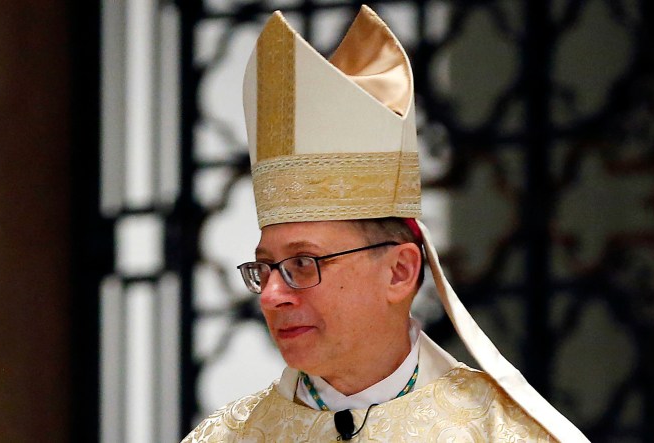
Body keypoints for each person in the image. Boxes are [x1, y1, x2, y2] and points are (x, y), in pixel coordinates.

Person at [183, 5, 588, 442]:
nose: (271, 296)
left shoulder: (499, 433)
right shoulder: (226, 437)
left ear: (399, 272)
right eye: (263, 268)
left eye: (302, 263)